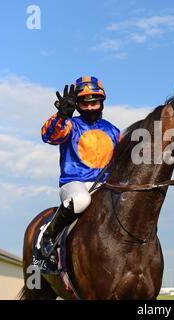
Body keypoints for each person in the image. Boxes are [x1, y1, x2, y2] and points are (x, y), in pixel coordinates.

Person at [40, 76, 121, 258]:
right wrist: (61, 116)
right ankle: (49, 235)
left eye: (95, 103)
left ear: (102, 103)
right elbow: (49, 136)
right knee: (81, 199)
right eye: (85, 104)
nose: (91, 108)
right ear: (77, 105)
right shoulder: (70, 125)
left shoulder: (114, 131)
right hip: (74, 183)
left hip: (104, 186)